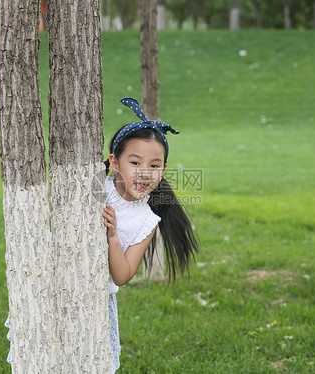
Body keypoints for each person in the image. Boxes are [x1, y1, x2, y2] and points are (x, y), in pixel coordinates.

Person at [103, 97, 199, 372]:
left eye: (155, 166)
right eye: (135, 162)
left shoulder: (147, 221)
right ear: (115, 163)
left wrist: (113, 237)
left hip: (95, 300)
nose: (145, 173)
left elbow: (122, 276)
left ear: (163, 171)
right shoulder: (97, 184)